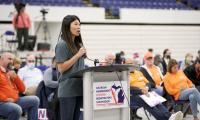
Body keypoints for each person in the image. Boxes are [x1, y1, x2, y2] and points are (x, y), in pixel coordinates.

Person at [55, 15, 86, 120]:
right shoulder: (62, 44)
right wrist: (77, 55)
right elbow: (61, 68)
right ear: (68, 26)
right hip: (68, 90)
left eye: (79, 24)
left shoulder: (78, 44)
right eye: (76, 24)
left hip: (79, 88)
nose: (79, 27)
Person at [0, 52, 39, 120]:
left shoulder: (10, 72)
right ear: (2, 59)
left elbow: (23, 89)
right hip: (2, 102)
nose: (11, 61)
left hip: (15, 100)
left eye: (12, 59)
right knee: (17, 109)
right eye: (9, 59)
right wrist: (5, 99)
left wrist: (16, 78)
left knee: (35, 100)